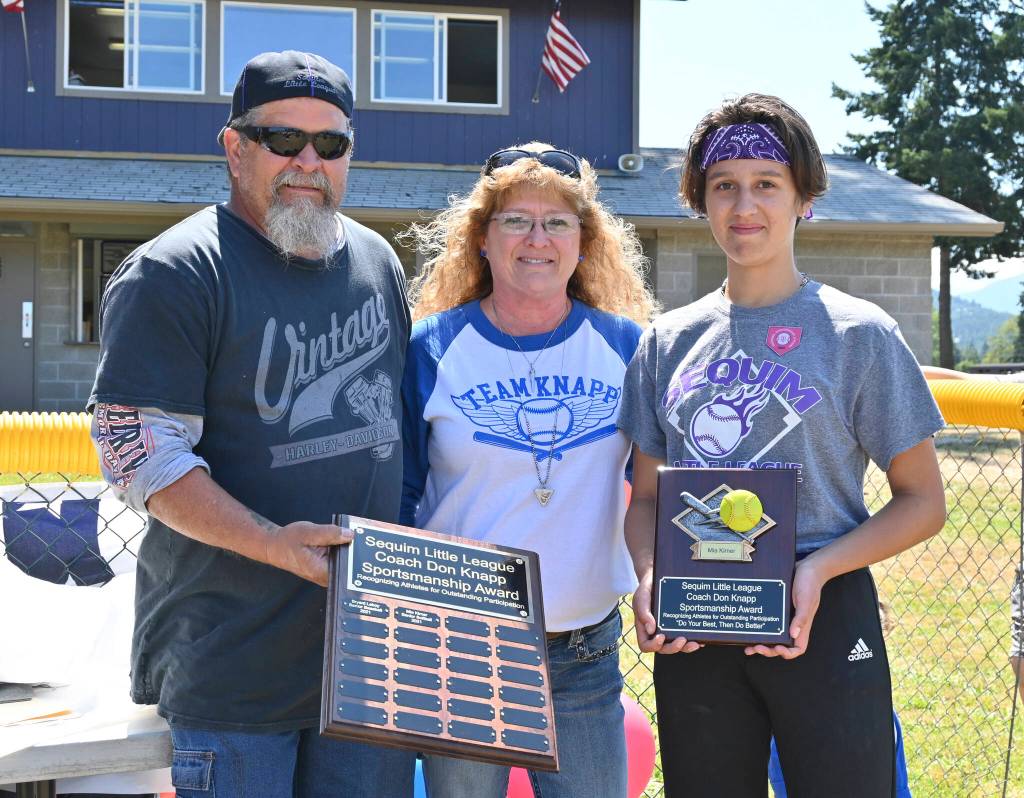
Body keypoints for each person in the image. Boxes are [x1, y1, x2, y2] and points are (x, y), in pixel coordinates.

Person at [87, 51, 413, 797]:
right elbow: (141, 456)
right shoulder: (174, 271)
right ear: (236, 149)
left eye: (330, 145)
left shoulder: (376, 261)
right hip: (232, 668)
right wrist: (273, 544)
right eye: (282, 140)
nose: (307, 161)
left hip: (368, 664)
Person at [617, 93, 947, 797]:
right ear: (699, 202)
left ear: (805, 198)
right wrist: (649, 579)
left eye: (766, 184)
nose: (744, 205)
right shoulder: (665, 342)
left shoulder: (860, 334)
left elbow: (923, 503)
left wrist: (818, 570)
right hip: (701, 615)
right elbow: (645, 497)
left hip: (822, 605)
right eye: (723, 186)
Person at [400, 142, 656, 798]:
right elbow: (398, 499)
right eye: (515, 220)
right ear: (482, 239)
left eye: (557, 222)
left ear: (585, 240)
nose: (536, 238)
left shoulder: (627, 348)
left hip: (584, 651)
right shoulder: (430, 348)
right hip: (461, 647)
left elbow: (660, 489)